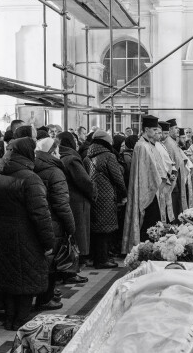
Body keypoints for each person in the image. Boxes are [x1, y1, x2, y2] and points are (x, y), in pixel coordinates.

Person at [0, 138, 55, 330]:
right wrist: (48, 242)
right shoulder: (30, 178)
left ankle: (10, 318)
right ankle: (21, 320)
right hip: (26, 234)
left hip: (0, 233)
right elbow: (40, 214)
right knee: (27, 278)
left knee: (8, 276)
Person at [34, 137, 74, 310]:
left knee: (44, 261)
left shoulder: (34, 165)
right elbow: (62, 204)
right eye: (57, 151)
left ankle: (45, 295)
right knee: (52, 263)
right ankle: (46, 298)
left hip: (40, 219)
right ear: (53, 152)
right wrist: (71, 227)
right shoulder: (55, 171)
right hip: (54, 222)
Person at [122, 115, 172, 250]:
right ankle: (146, 249)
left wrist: (165, 176)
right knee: (149, 220)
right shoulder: (141, 146)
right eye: (154, 130)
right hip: (146, 188)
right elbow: (146, 171)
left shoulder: (150, 144)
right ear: (146, 129)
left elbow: (157, 165)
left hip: (154, 187)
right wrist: (160, 179)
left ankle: (152, 248)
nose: (157, 133)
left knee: (153, 219)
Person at [85, 130, 127, 269]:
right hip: (107, 196)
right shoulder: (109, 156)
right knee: (105, 229)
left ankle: (97, 258)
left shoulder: (87, 156)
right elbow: (117, 178)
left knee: (97, 228)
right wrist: (124, 193)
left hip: (93, 196)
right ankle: (102, 260)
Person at [57, 131, 94, 275]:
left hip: (69, 199)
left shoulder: (61, 157)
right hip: (78, 201)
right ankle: (76, 264)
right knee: (79, 233)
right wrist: (93, 194)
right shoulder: (72, 159)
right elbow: (85, 181)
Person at [164, 118, 193, 217]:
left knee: (178, 202)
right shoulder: (168, 142)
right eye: (175, 128)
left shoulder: (173, 142)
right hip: (174, 179)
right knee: (174, 203)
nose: (178, 130)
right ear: (170, 130)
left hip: (179, 177)